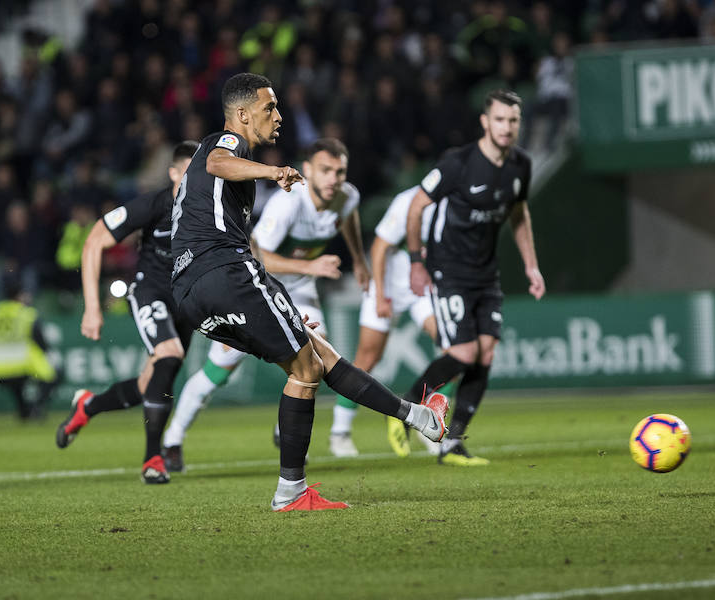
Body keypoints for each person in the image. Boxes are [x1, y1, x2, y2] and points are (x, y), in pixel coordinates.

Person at [170, 72, 448, 511]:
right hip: (223, 270)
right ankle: (290, 493)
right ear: (242, 115)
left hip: (190, 289)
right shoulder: (225, 144)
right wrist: (272, 171)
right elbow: (215, 164)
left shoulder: (324, 196)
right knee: (306, 369)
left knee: (316, 354)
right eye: (269, 109)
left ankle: (421, 418)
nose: (278, 117)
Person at [161, 137, 370, 469]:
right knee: (219, 371)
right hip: (255, 289)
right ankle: (172, 439)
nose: (334, 179)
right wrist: (310, 267)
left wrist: (359, 259)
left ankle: (285, 427)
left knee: (318, 355)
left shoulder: (347, 197)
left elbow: (349, 219)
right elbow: (258, 256)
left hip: (299, 293)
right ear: (309, 171)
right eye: (326, 171)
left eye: (340, 172)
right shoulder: (288, 204)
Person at [397, 89, 545, 466]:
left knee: (486, 353)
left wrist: (531, 265)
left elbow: (519, 214)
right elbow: (416, 208)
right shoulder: (458, 164)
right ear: (485, 121)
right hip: (449, 271)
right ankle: (406, 404)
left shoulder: (521, 166)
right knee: (463, 353)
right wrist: (416, 262)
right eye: (499, 119)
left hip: (486, 274)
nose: (506, 127)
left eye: (513, 121)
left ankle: (453, 443)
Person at [55, 141, 198, 485]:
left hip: (186, 302)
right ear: (174, 173)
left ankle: (87, 407)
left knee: (149, 384)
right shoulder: (154, 204)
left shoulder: (213, 210)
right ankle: (153, 459)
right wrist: (92, 308)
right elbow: (94, 241)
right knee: (169, 354)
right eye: (194, 172)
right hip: (150, 290)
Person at [329, 185, 455, 458]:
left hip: (423, 286)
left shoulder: (459, 204)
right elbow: (380, 246)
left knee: (453, 351)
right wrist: (381, 296)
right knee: (367, 358)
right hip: (389, 283)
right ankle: (340, 433)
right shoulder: (410, 200)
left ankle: (430, 423)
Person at [0, 281, 59, 420]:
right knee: (54, 375)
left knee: (16, 383)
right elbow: (38, 337)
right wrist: (49, 353)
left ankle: (24, 411)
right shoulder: (25, 313)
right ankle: (36, 408)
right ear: (19, 296)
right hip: (19, 361)